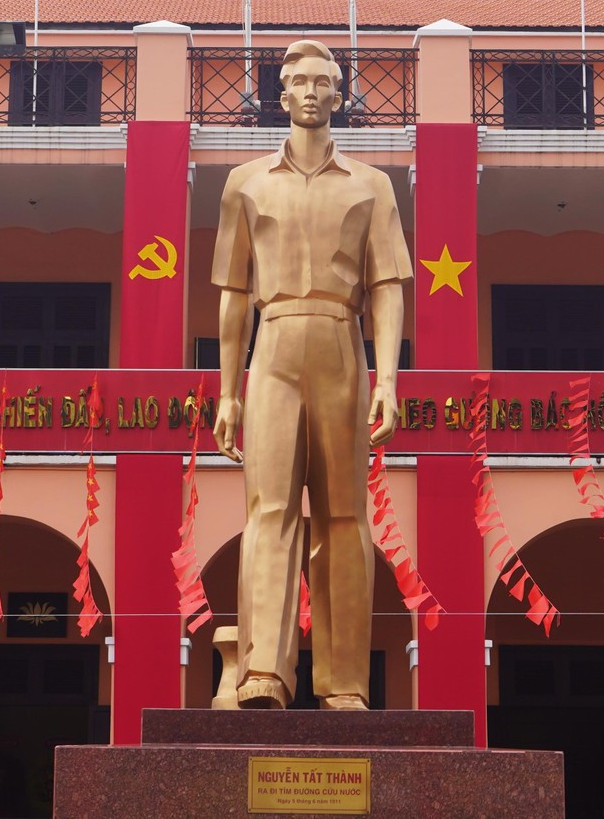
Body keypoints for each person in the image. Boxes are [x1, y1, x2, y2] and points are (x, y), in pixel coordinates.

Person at [211, 40, 411, 711]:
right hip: (273, 344)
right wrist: (228, 390)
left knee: (344, 516)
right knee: (268, 509)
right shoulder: (246, 182)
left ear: (339, 96)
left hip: (339, 340)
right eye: (296, 80)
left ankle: (344, 680)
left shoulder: (371, 185)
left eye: (322, 81)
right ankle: (263, 671)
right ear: (280, 93)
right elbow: (234, 293)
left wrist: (387, 379)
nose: (308, 91)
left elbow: (386, 285)